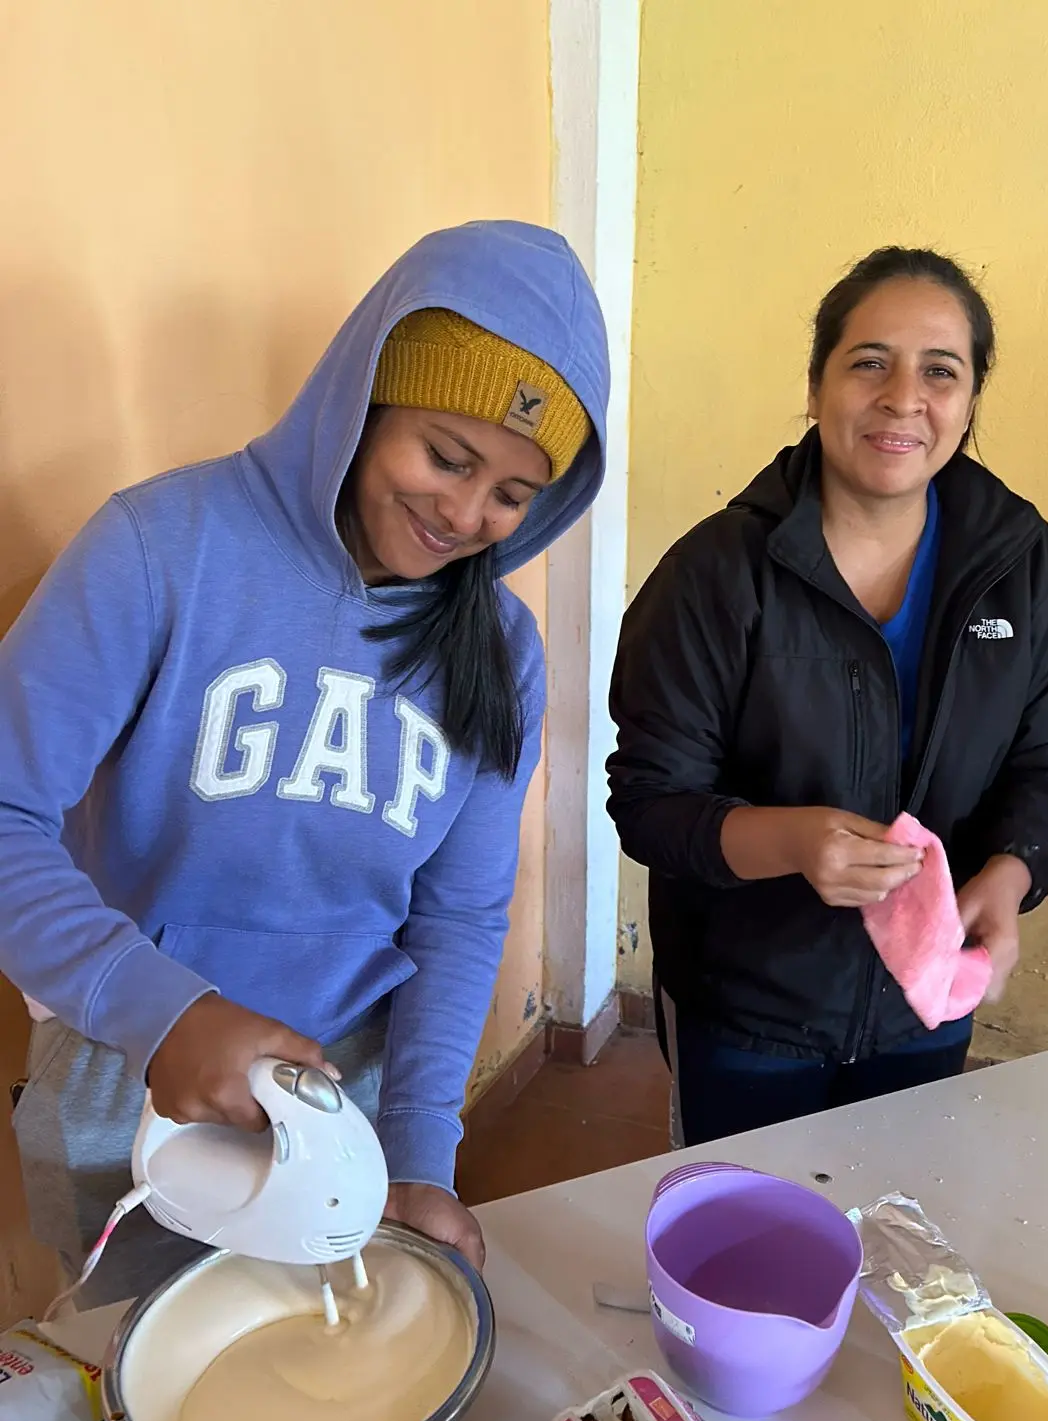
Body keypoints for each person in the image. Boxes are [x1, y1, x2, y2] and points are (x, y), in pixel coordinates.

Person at [0, 219, 609, 1302]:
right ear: (362, 397)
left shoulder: (501, 651)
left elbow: (458, 917)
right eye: (445, 455)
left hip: (346, 1109)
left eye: (514, 494)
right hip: (131, 1094)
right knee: (147, 1403)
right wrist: (165, 1011)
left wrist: (421, 1153)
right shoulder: (158, 550)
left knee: (334, 1398)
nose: (468, 514)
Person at [607, 247, 1048, 1147]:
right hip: (748, 1013)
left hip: (929, 995)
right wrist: (793, 842)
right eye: (869, 361)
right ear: (817, 383)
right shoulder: (717, 574)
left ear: (971, 399)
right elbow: (650, 804)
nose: (903, 396)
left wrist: (1011, 872)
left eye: (940, 371)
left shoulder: (1024, 568)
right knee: (748, 1246)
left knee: (895, 1244)